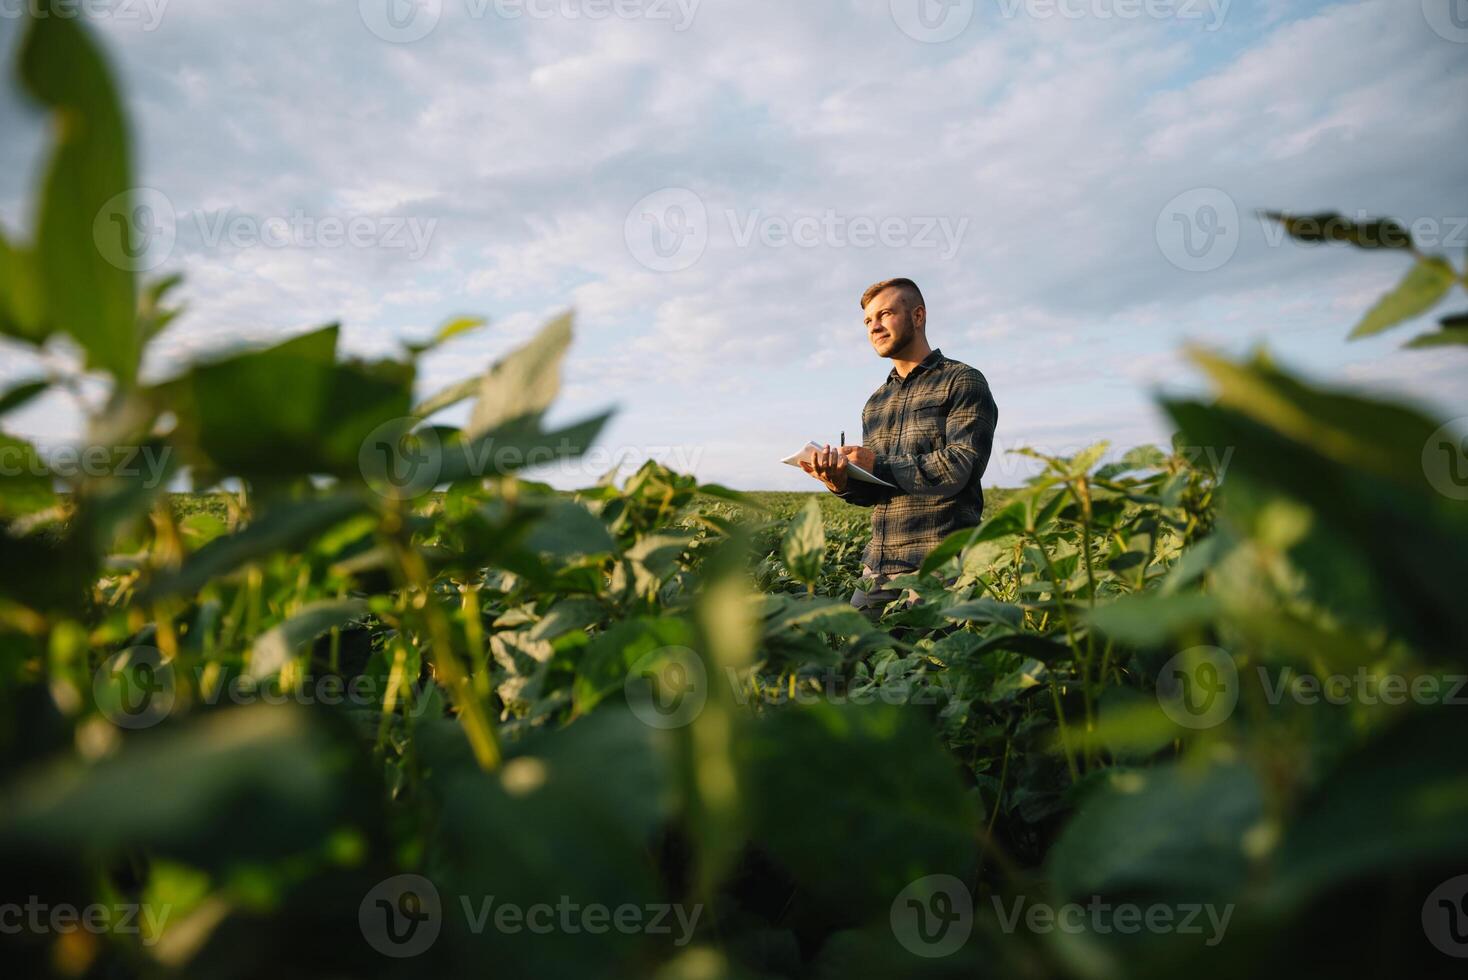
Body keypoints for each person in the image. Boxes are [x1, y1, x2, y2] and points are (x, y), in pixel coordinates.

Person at [800, 278, 998, 615]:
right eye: (867, 321)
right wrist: (842, 482)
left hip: (941, 565)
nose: (874, 327)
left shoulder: (962, 380)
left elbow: (961, 466)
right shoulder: (875, 403)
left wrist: (877, 464)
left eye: (885, 314)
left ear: (918, 316)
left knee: (933, 664)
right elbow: (878, 492)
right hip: (878, 568)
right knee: (856, 661)